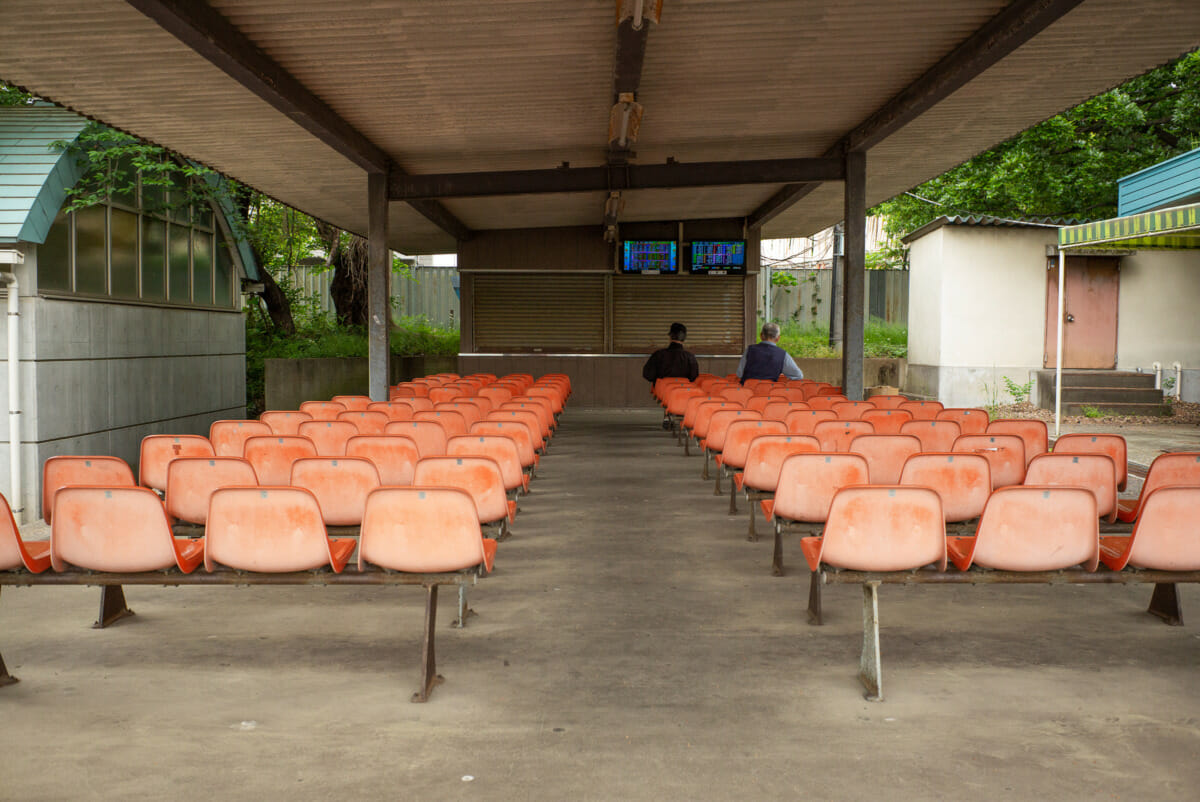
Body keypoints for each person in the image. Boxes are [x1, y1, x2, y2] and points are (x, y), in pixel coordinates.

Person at [737, 322, 804, 384]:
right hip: (770, 394)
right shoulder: (783, 355)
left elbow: (739, 374)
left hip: (747, 393)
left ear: (761, 336)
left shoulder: (749, 350)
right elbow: (798, 375)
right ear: (778, 338)